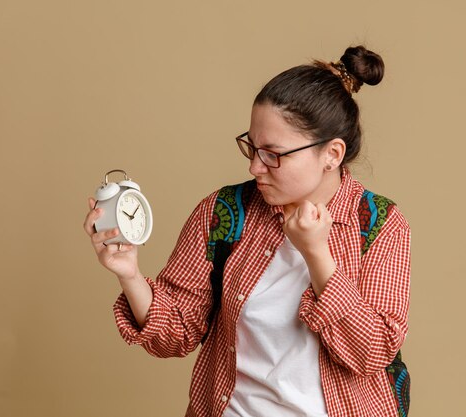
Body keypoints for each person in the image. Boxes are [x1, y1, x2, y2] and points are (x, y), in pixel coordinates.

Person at [83, 45, 411, 417]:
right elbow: (175, 334)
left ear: (332, 154)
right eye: (251, 148)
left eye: (273, 153)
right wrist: (129, 274)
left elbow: (371, 353)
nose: (256, 166)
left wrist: (317, 255)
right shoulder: (224, 212)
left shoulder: (378, 223)